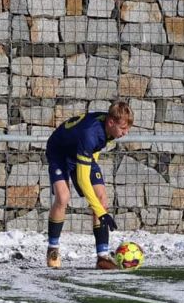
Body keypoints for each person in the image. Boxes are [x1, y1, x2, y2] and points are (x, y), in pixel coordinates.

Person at [45, 100, 133, 270]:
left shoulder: (107, 127)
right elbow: (84, 181)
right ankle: (53, 248)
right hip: (59, 153)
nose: (125, 133)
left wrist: (93, 173)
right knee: (63, 197)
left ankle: (102, 257)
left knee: (102, 198)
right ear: (111, 122)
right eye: (123, 129)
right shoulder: (90, 134)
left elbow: (96, 146)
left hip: (82, 152)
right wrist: (101, 213)